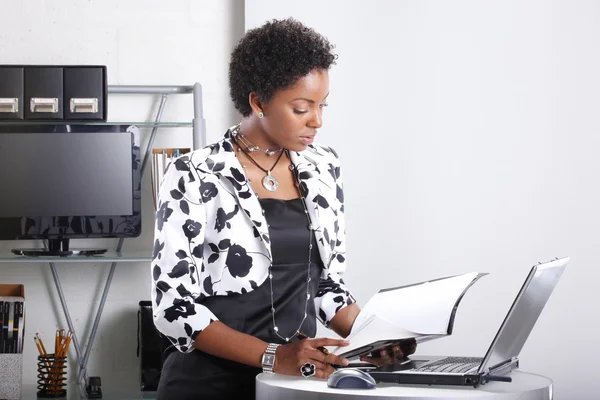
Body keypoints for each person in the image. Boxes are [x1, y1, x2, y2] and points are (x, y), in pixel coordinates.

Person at [151, 18, 414, 400]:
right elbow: (171, 307)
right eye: (302, 107)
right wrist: (274, 356)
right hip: (207, 384)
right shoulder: (194, 174)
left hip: (293, 384)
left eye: (322, 106)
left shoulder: (323, 167)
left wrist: (372, 336)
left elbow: (325, 286)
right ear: (258, 102)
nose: (318, 121)